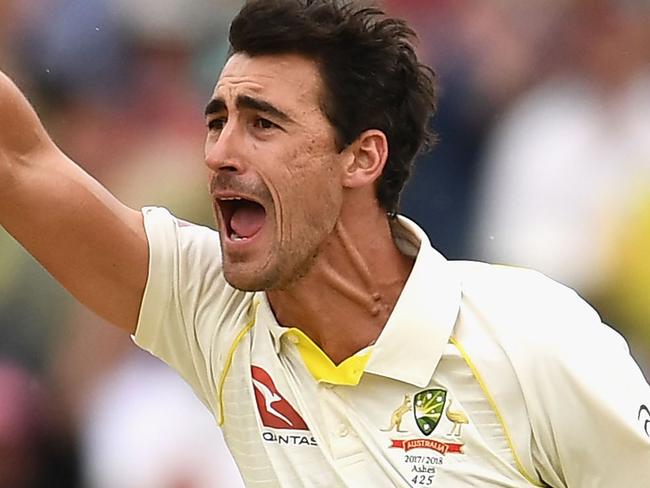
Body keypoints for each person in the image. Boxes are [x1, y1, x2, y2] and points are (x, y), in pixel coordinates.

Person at [0, 0, 648, 486]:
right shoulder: (211, 306)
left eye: (262, 123)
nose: (219, 153)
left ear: (361, 158)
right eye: (216, 122)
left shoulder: (533, 338)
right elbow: (19, 163)